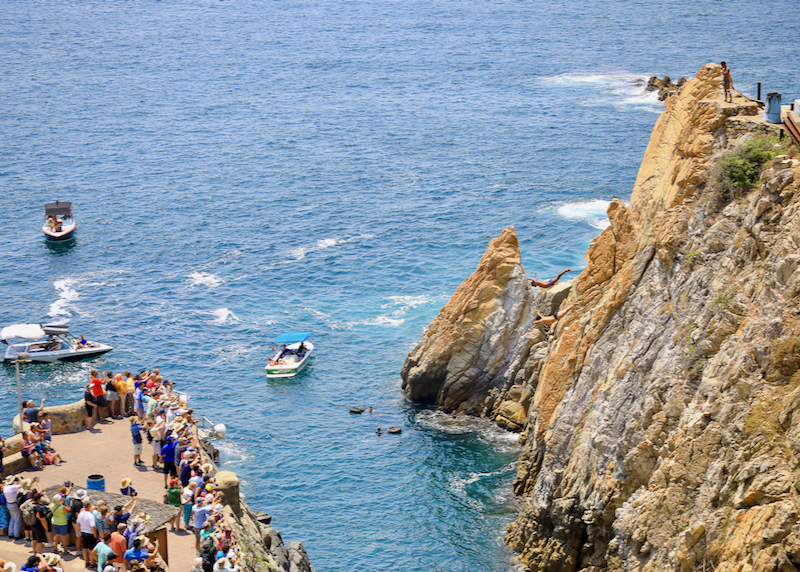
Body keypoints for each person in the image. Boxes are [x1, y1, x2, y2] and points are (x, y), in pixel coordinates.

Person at [77, 500, 98, 567]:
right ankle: (92, 562)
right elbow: (93, 527)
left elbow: (78, 522)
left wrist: (80, 530)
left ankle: (86, 562)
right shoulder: (90, 515)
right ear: (89, 506)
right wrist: (95, 535)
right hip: (90, 534)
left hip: (83, 533)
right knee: (91, 549)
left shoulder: (81, 513)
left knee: (84, 548)